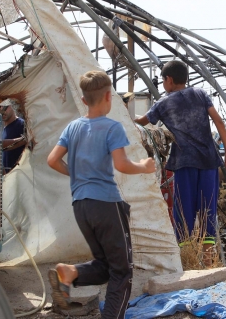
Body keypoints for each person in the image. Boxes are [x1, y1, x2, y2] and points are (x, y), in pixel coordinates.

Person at [47, 71, 155, 316]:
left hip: (81, 206)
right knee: (123, 271)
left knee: (105, 266)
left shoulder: (73, 127)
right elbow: (122, 165)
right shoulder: (112, 127)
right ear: (109, 97)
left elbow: (52, 160)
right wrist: (144, 167)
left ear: (84, 100)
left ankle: (71, 273)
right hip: (106, 204)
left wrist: (77, 175)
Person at [134, 60, 226, 267]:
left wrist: (122, 116)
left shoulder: (163, 103)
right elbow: (218, 121)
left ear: (168, 80)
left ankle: (187, 264)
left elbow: (143, 122)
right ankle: (209, 263)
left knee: (183, 214)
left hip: (184, 163)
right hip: (209, 161)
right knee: (208, 212)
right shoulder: (200, 94)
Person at [0, 98, 26, 173]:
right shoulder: (2, 128)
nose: (2, 110)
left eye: (4, 107)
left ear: (12, 106)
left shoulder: (21, 125)